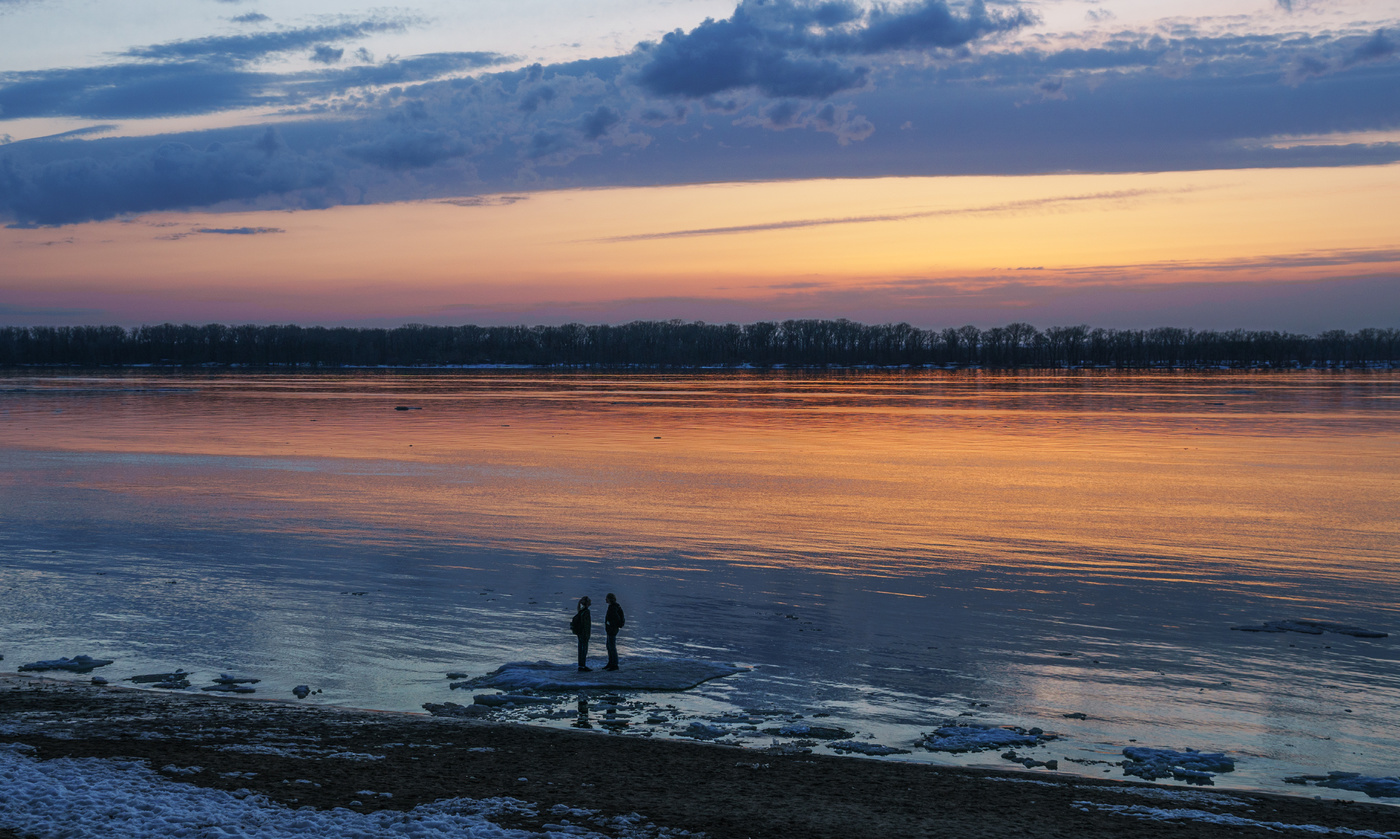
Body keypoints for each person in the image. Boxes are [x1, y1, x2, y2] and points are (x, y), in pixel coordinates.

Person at [604, 592, 625, 671]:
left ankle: (614, 664)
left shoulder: (613, 607)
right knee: (609, 646)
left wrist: (611, 625)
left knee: (611, 647)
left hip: (612, 630)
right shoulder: (614, 606)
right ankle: (611, 663)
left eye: (606, 598)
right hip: (611, 629)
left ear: (609, 599)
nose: (605, 599)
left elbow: (616, 618)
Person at [570, 596, 592, 671]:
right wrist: (587, 634)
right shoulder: (586, 612)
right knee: (584, 649)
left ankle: (580, 665)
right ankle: (583, 665)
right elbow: (586, 624)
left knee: (580, 649)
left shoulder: (581, 611)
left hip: (579, 632)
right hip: (584, 633)